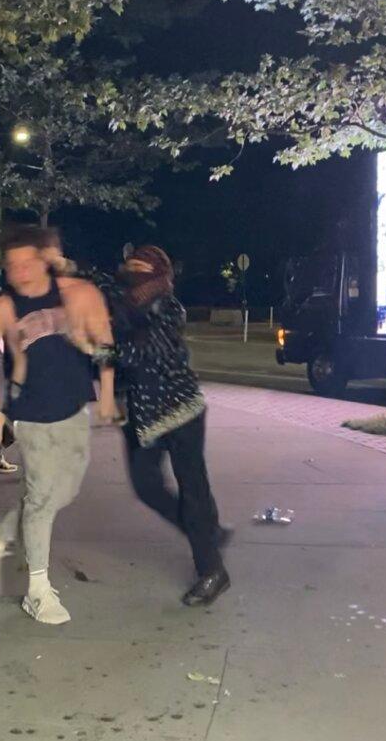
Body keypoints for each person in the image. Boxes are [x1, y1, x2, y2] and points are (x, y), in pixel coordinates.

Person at [0, 226, 116, 625]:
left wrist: (107, 386)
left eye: (28, 262)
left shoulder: (71, 292)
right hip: (31, 411)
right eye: (12, 265)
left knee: (60, 492)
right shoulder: (4, 306)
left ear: (44, 260)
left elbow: (102, 341)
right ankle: (36, 590)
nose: (20, 271)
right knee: (43, 499)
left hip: (74, 407)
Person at [112, 246, 230, 606]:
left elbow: (138, 353)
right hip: (143, 416)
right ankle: (207, 530)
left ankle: (212, 570)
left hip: (181, 412)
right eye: (130, 270)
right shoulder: (121, 306)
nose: (135, 277)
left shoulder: (169, 309)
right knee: (146, 486)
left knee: (193, 489)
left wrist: (104, 346)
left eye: (142, 271)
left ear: (160, 276)